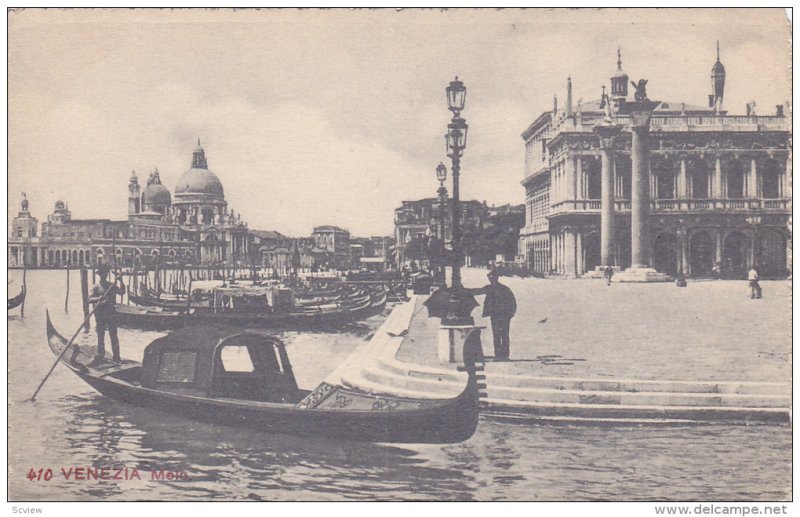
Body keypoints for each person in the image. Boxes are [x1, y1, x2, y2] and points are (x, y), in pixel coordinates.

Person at [470, 270, 517, 361]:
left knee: (498, 335)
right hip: (502, 315)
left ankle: (500, 355)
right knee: (502, 335)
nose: (491, 280)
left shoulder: (492, 288)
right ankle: (503, 355)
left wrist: (463, 291)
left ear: (496, 278)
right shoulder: (504, 288)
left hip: (499, 315)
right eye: (490, 278)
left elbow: (477, 291)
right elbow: (477, 291)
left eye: (492, 278)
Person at [89, 263, 125, 365]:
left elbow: (122, 292)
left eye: (105, 273)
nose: (104, 275)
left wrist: (120, 281)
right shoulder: (96, 287)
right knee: (101, 334)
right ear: (100, 275)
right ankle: (101, 355)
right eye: (102, 274)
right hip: (100, 314)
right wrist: (98, 299)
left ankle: (117, 356)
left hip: (111, 313)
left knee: (113, 335)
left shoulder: (112, 286)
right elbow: (89, 299)